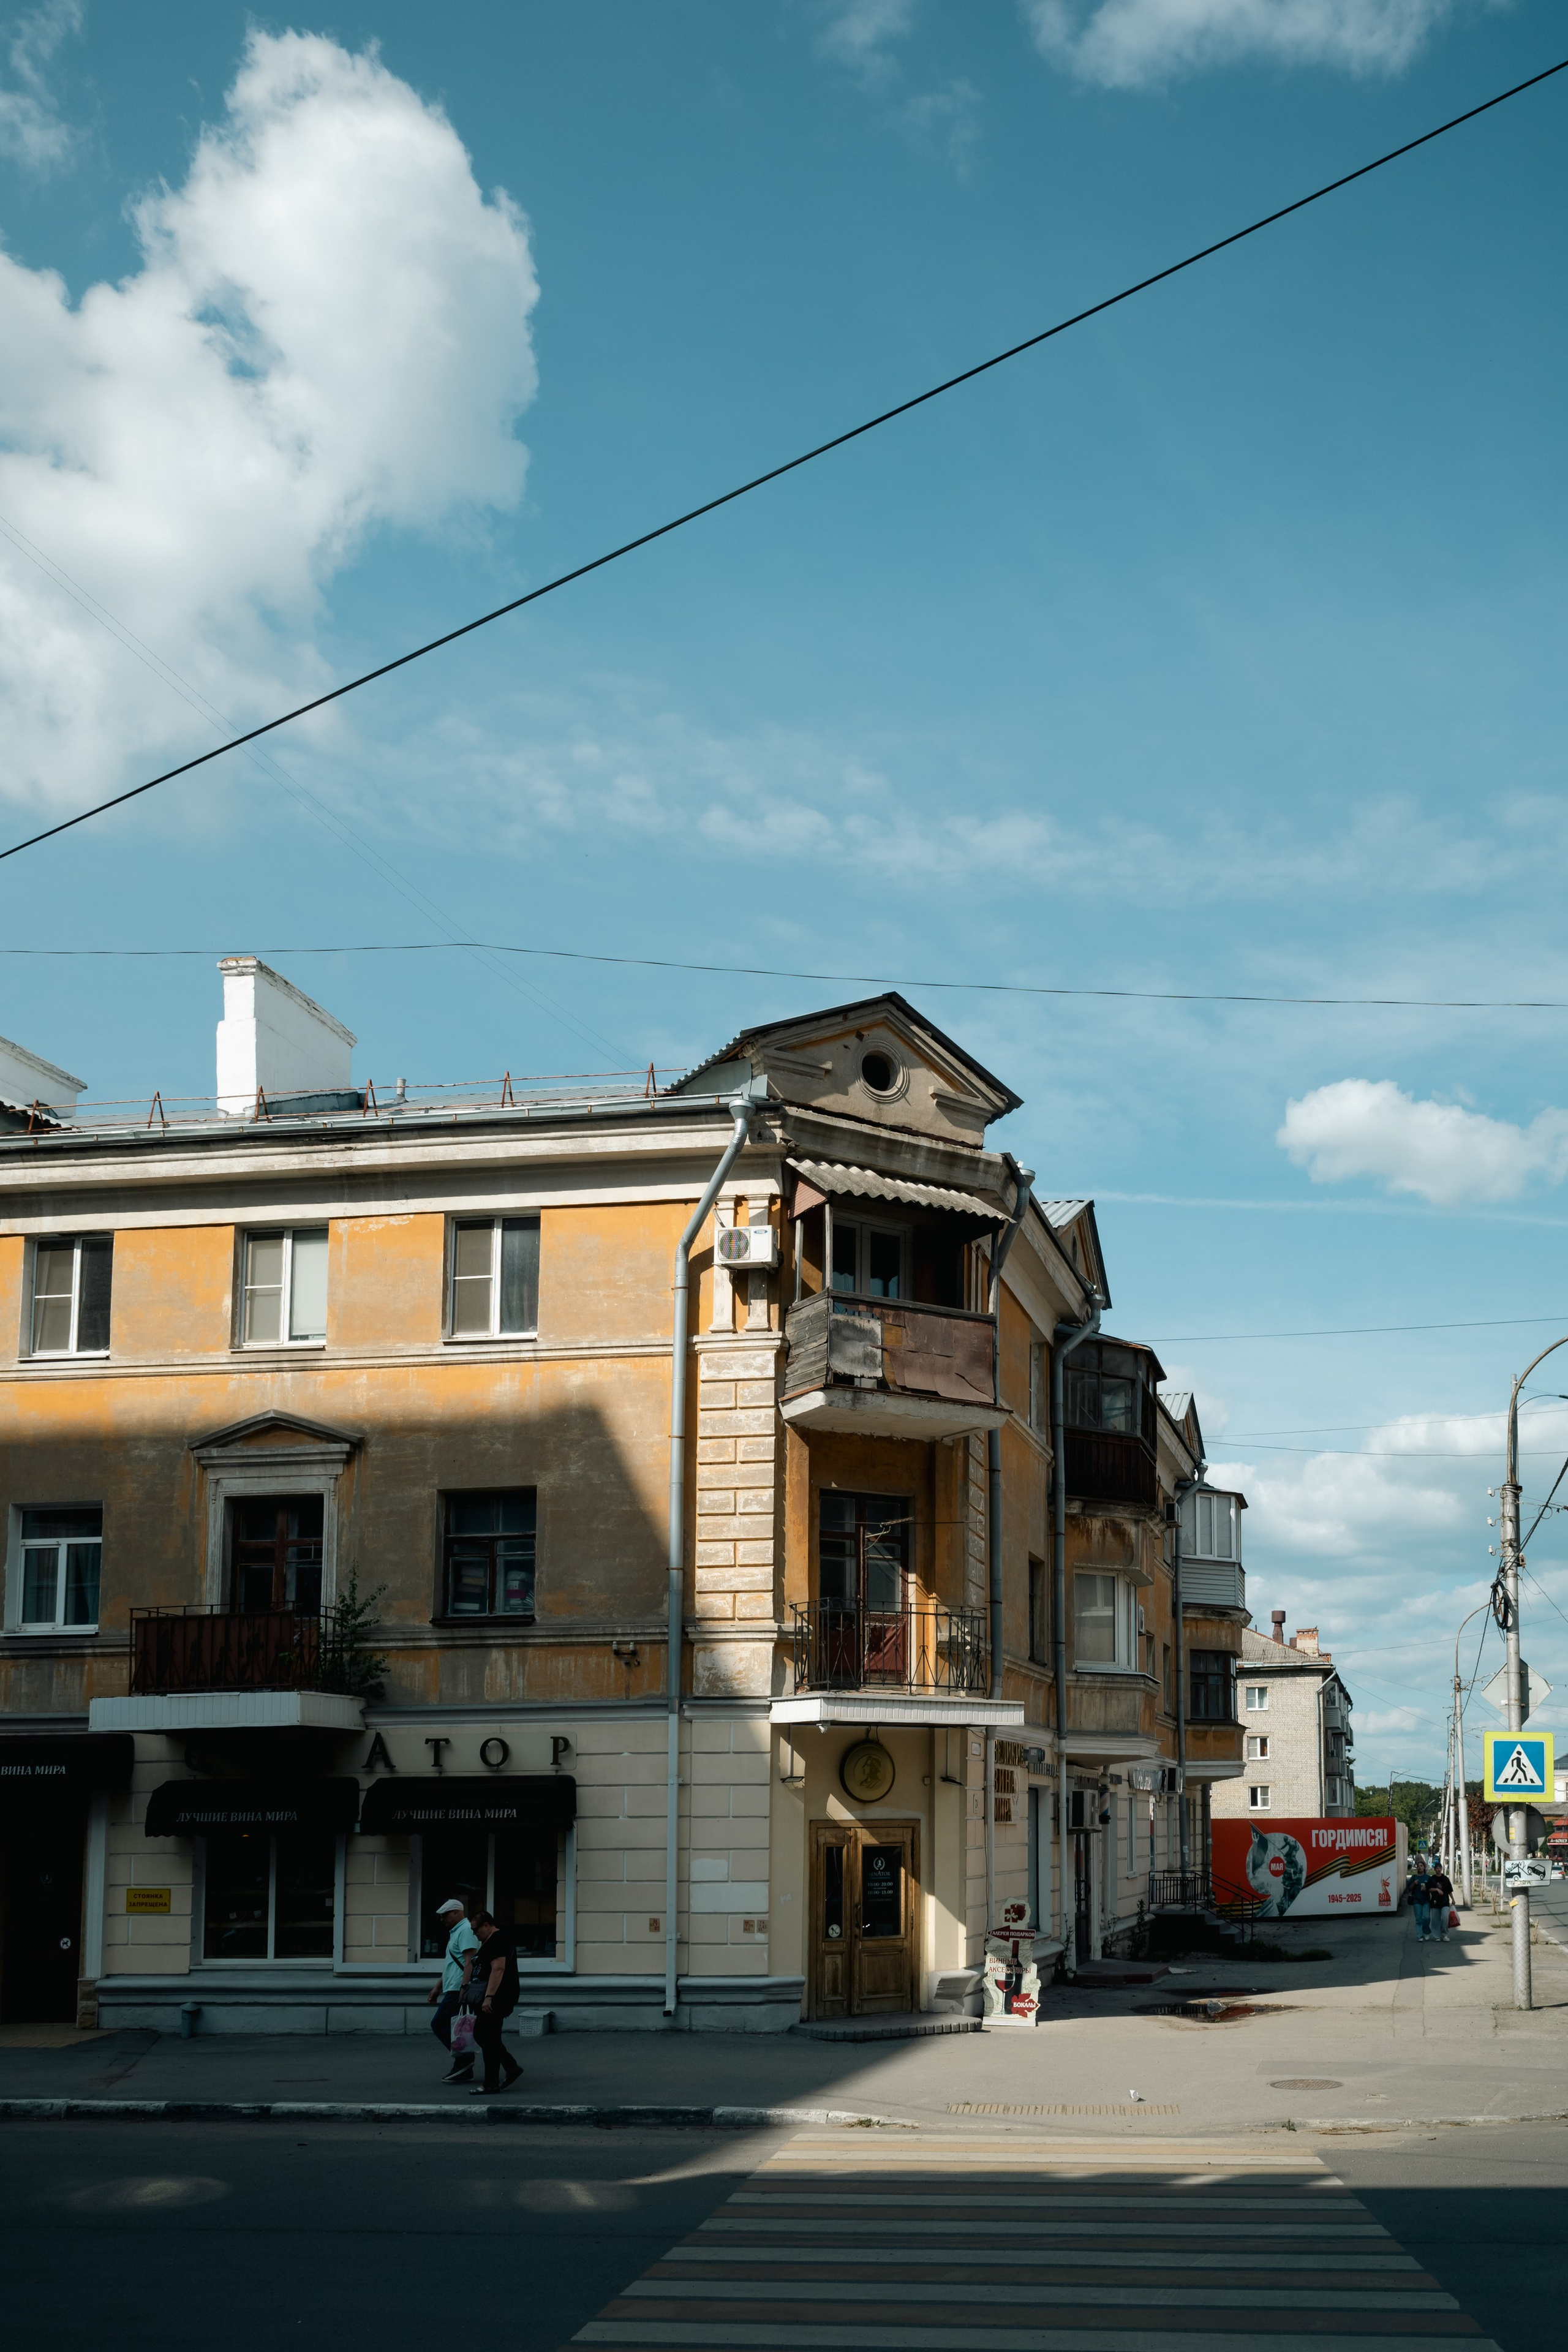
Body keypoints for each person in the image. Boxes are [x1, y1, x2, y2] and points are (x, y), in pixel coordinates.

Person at [466, 1907, 522, 2097]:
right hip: (494, 1997)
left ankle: (495, 2079)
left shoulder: (499, 1939)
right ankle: (508, 2069)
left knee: (485, 2035)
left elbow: (498, 1969)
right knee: (488, 2037)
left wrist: (489, 1997)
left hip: (497, 1997)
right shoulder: (491, 1941)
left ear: (487, 1925)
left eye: (475, 1929)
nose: (474, 1933)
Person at [425, 1896, 481, 2083]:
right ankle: (465, 2064)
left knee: (440, 2023)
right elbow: (452, 1965)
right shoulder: (457, 1933)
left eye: (445, 1916)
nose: (443, 1920)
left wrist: (464, 1988)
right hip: (453, 1987)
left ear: (457, 1912)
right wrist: (437, 1988)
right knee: (459, 2027)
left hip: (459, 1988)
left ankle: (464, 2060)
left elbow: (470, 1962)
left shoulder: (465, 1931)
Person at [1427, 1862, 1455, 1944]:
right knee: (1435, 1920)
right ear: (1435, 1869)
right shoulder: (1432, 1879)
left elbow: (1449, 1890)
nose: (1438, 1869)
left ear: (1442, 1869)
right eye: (1437, 1868)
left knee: (1445, 1918)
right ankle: (1437, 1936)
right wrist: (1437, 1889)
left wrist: (1453, 1899)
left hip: (1445, 1901)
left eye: (1440, 1868)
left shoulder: (1445, 1879)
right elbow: (1429, 1889)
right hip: (1435, 1902)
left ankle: (1445, 1935)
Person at [1408, 1858, 1433, 1942]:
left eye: (1421, 1866)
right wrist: (1414, 1884)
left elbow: (1431, 1888)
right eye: (1418, 1866)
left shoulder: (1428, 1878)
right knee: (1419, 1919)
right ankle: (1420, 1936)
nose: (1419, 1867)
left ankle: (1426, 1932)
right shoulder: (1414, 1877)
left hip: (1426, 1901)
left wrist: (1427, 1889)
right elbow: (1409, 1888)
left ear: (1424, 1868)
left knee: (1426, 1918)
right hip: (1417, 1901)